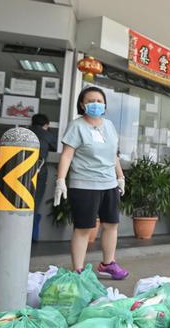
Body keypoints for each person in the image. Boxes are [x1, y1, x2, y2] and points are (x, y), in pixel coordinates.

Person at [54, 86, 129, 279]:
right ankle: (78, 270)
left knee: (112, 224)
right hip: (84, 184)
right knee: (84, 228)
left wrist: (120, 177)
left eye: (99, 101)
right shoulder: (77, 126)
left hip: (109, 184)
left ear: (104, 104)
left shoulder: (109, 126)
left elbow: (114, 155)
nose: (95, 104)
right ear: (82, 104)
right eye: (90, 101)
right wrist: (61, 180)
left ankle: (108, 264)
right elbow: (67, 155)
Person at [28, 113, 58, 241]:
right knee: (35, 202)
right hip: (39, 172)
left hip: (21, 171)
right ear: (46, 125)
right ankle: (31, 235)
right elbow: (55, 147)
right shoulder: (47, 135)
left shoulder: (26, 132)